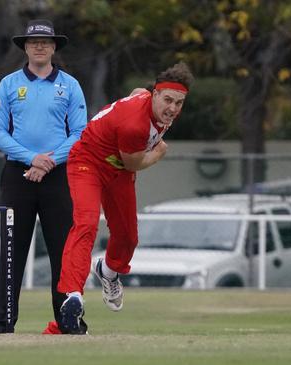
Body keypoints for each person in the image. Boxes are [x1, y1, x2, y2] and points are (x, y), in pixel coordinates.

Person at [57, 62, 195, 334]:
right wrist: (159, 152)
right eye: (168, 100)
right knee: (85, 224)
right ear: (154, 94)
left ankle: (108, 271)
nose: (173, 108)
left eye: (179, 102)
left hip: (117, 168)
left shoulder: (148, 98)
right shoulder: (135, 125)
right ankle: (73, 295)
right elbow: (133, 164)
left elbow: (135, 92)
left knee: (128, 236)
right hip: (88, 162)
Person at [0, 19, 88, 334]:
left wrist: (47, 162)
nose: (40, 46)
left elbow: (80, 133)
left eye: (46, 42)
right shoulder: (9, 84)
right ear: (26, 47)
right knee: (11, 249)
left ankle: (67, 320)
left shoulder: (70, 85)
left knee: (63, 249)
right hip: (18, 175)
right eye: (34, 43)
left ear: (54, 46)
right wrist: (31, 158)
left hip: (58, 175)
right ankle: (3, 320)